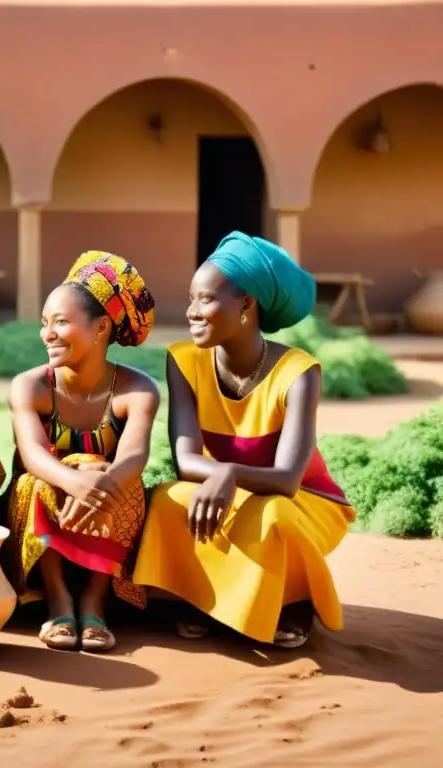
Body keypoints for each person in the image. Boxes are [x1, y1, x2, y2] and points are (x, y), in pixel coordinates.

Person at [133, 231, 355, 649]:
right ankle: (199, 595)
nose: (191, 312)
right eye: (191, 299)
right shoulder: (184, 360)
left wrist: (227, 473)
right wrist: (222, 477)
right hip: (235, 489)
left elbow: (288, 479)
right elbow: (185, 459)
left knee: (271, 515)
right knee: (167, 499)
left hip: (304, 501)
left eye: (205, 299)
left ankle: (293, 600)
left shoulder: (298, 373)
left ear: (246, 306)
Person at [3, 251, 161, 652]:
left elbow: (134, 456)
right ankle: (57, 598)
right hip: (46, 513)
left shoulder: (137, 389)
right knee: (39, 479)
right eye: (44, 323)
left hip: (108, 511)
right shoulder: (30, 386)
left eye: (61, 322)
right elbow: (34, 455)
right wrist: (79, 481)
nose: (48, 333)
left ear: (101, 327)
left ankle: (95, 598)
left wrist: (99, 481)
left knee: (122, 480)